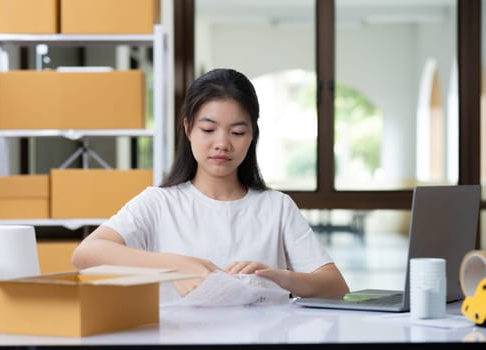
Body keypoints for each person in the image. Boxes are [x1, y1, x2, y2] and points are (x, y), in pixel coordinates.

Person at [71, 68, 349, 299]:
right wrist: (177, 265)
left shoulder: (276, 207)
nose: (222, 144)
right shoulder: (159, 203)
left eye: (237, 132)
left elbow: (336, 287)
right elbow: (86, 254)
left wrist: (280, 277)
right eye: (208, 129)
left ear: (252, 136)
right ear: (188, 128)